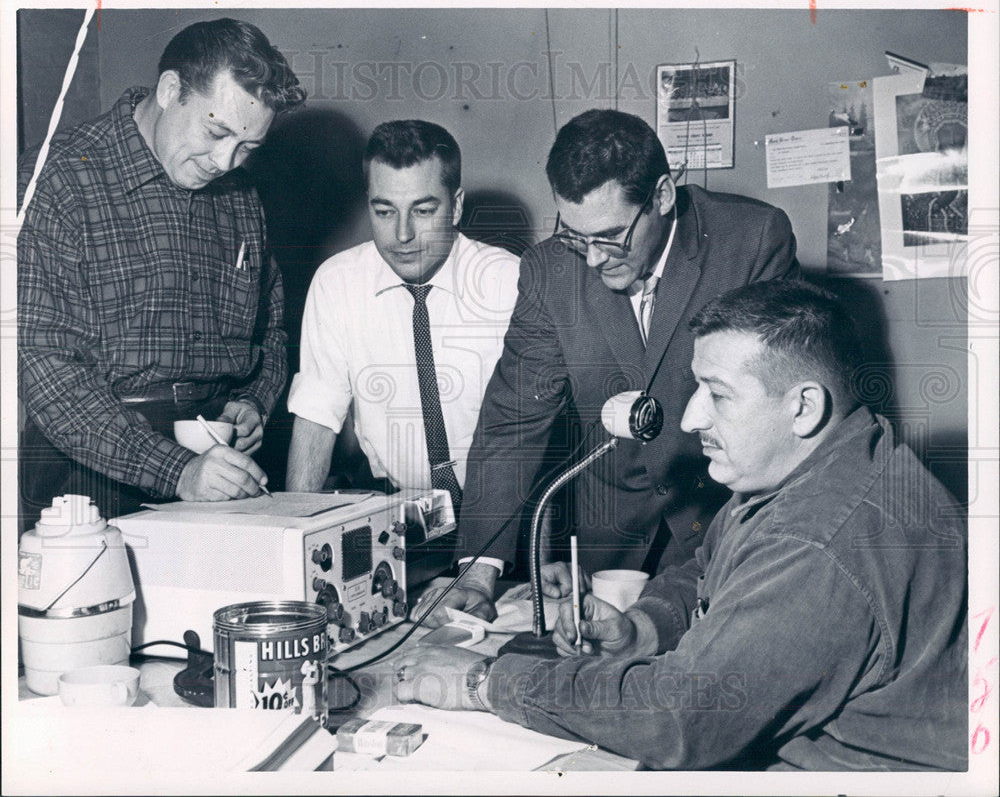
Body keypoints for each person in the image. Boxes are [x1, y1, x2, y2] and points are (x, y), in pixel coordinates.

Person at [393, 280, 968, 771]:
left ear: (803, 407)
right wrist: (642, 627)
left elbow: (681, 717)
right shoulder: (834, 461)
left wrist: (484, 682)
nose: (692, 418)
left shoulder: (818, 540)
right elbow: (706, 564)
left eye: (717, 395)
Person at [419, 109, 799, 626]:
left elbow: (776, 410)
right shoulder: (551, 272)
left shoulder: (750, 241)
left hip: (724, 528)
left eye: (611, 237)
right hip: (610, 550)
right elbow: (512, 422)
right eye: (576, 237)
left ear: (662, 196)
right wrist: (478, 570)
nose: (593, 260)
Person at [18, 18, 305, 530]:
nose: (225, 161)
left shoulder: (242, 196)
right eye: (217, 132)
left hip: (216, 458)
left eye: (248, 146)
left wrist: (251, 403)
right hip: (85, 472)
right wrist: (176, 471)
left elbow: (272, 332)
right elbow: (46, 370)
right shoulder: (59, 178)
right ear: (171, 89)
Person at [286, 120, 519, 510]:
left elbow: (535, 436)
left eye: (423, 211)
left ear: (456, 205)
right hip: (396, 510)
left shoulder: (508, 282)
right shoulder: (337, 282)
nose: (402, 235)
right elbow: (315, 419)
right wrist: (292, 529)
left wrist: (539, 560)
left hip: (500, 509)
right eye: (384, 211)